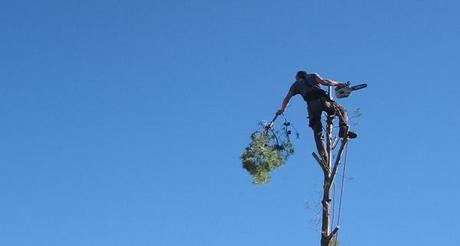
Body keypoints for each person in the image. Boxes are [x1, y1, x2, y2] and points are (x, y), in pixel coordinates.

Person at [276, 70, 357, 160]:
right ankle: (343, 131)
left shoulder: (295, 84)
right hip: (323, 100)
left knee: (317, 132)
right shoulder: (312, 75)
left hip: (312, 106)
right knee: (342, 111)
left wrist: (282, 109)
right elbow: (326, 82)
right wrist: (339, 84)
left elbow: (287, 98)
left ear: (298, 77)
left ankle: (324, 157)